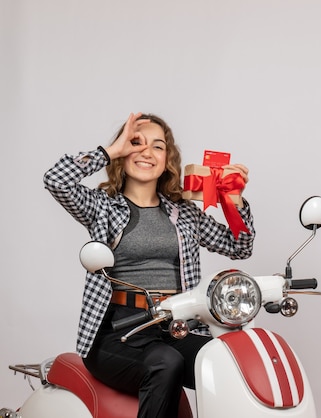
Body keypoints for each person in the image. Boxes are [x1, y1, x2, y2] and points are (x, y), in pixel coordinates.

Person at [43, 112, 255, 417]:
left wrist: (236, 205)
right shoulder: (102, 207)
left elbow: (240, 246)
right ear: (123, 152)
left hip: (176, 325)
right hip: (118, 330)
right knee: (165, 362)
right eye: (136, 143)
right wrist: (109, 151)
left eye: (157, 146)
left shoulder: (184, 214)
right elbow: (56, 180)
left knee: (225, 363)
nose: (146, 152)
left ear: (167, 159)